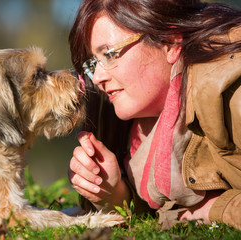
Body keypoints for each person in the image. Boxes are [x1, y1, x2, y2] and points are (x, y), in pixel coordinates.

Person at [68, 0, 241, 230]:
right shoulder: (146, 123)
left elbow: (199, 208)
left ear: (169, 43)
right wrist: (114, 194)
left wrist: (213, 209)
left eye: (109, 54)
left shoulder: (232, 92)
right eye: (94, 62)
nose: (97, 77)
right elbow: (165, 208)